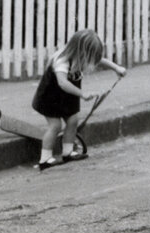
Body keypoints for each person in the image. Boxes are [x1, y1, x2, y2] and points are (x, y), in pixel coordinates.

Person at [31, 28, 126, 170]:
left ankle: (68, 152)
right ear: (80, 51)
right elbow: (63, 83)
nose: (91, 61)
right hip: (50, 98)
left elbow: (100, 60)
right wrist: (82, 94)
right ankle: (45, 159)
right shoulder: (62, 60)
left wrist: (116, 68)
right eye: (89, 57)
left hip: (68, 96)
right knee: (55, 126)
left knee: (73, 120)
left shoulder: (80, 56)